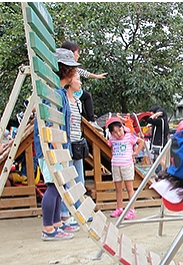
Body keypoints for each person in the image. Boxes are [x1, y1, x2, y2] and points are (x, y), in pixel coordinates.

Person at [36, 49, 82, 241]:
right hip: (51, 150)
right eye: (75, 71)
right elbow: (49, 125)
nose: (77, 74)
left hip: (59, 148)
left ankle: (56, 224)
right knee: (53, 187)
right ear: (67, 72)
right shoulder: (54, 94)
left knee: (58, 186)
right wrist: (56, 150)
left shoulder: (60, 93)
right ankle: (48, 228)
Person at [60, 70, 87, 229]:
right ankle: (65, 214)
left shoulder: (78, 101)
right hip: (66, 143)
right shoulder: (63, 99)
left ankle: (79, 211)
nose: (80, 82)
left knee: (79, 180)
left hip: (77, 143)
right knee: (66, 182)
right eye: (78, 79)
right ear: (70, 81)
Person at [106, 117, 144, 219]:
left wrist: (135, 153)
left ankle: (131, 210)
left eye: (119, 130)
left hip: (127, 164)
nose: (118, 134)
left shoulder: (129, 136)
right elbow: (110, 146)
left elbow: (141, 142)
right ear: (111, 133)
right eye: (114, 132)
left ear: (123, 127)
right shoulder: (112, 139)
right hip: (116, 165)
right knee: (118, 188)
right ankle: (119, 208)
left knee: (129, 188)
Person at [60, 41, 106, 122]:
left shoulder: (72, 68)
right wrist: (96, 76)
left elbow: (85, 73)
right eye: (77, 53)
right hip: (72, 94)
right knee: (86, 96)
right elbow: (85, 73)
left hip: (74, 95)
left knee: (82, 101)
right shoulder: (69, 70)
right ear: (71, 52)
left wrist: (96, 76)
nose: (78, 55)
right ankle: (90, 119)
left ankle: (87, 118)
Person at [145, 105, 170, 172]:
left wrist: (155, 115)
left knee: (160, 160)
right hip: (163, 142)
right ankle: (164, 173)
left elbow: (149, 120)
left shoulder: (160, 121)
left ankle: (169, 171)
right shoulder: (164, 121)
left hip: (159, 143)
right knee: (162, 160)